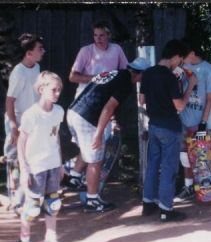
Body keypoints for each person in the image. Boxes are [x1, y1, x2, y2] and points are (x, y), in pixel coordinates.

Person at [67, 57, 151, 213]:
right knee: (96, 159)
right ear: (141, 74)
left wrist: (111, 122)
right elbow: (108, 108)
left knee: (88, 150)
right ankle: (92, 200)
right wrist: (98, 133)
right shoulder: (126, 84)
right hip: (86, 117)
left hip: (74, 112)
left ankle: (74, 177)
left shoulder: (115, 73)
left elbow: (100, 97)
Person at [17, 71, 76, 242]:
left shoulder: (59, 111)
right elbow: (20, 142)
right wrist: (24, 169)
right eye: (53, 90)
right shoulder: (31, 115)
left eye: (59, 90)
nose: (57, 93)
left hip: (52, 165)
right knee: (32, 208)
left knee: (53, 205)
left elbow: (55, 136)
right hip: (35, 167)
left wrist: (59, 164)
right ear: (41, 90)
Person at [64, 20, 128, 190]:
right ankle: (88, 191)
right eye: (95, 35)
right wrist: (97, 78)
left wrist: (113, 119)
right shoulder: (86, 51)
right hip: (86, 103)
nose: (98, 39)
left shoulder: (117, 50)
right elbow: (72, 77)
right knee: (92, 145)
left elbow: (125, 73)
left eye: (102, 35)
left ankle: (74, 176)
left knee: (92, 144)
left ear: (108, 35)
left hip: (105, 103)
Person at [139, 39, 197, 222]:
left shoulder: (148, 73)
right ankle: (165, 209)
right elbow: (179, 106)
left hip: (153, 125)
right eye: (180, 60)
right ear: (175, 57)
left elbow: (142, 100)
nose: (180, 63)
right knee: (169, 169)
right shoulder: (170, 77)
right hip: (169, 128)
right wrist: (190, 86)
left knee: (153, 165)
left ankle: (148, 203)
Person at [173, 37, 211, 208]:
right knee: (184, 157)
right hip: (184, 121)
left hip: (202, 123)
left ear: (192, 53)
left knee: (207, 158)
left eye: (184, 55)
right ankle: (188, 187)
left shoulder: (208, 70)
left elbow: (210, 99)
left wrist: (203, 123)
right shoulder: (182, 67)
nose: (181, 58)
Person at [4, 33, 45, 212]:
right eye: (39, 49)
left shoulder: (37, 67)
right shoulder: (18, 73)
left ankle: (29, 197)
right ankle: (16, 202)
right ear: (29, 53)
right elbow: (9, 101)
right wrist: (13, 126)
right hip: (17, 120)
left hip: (32, 121)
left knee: (32, 159)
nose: (43, 51)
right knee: (14, 161)